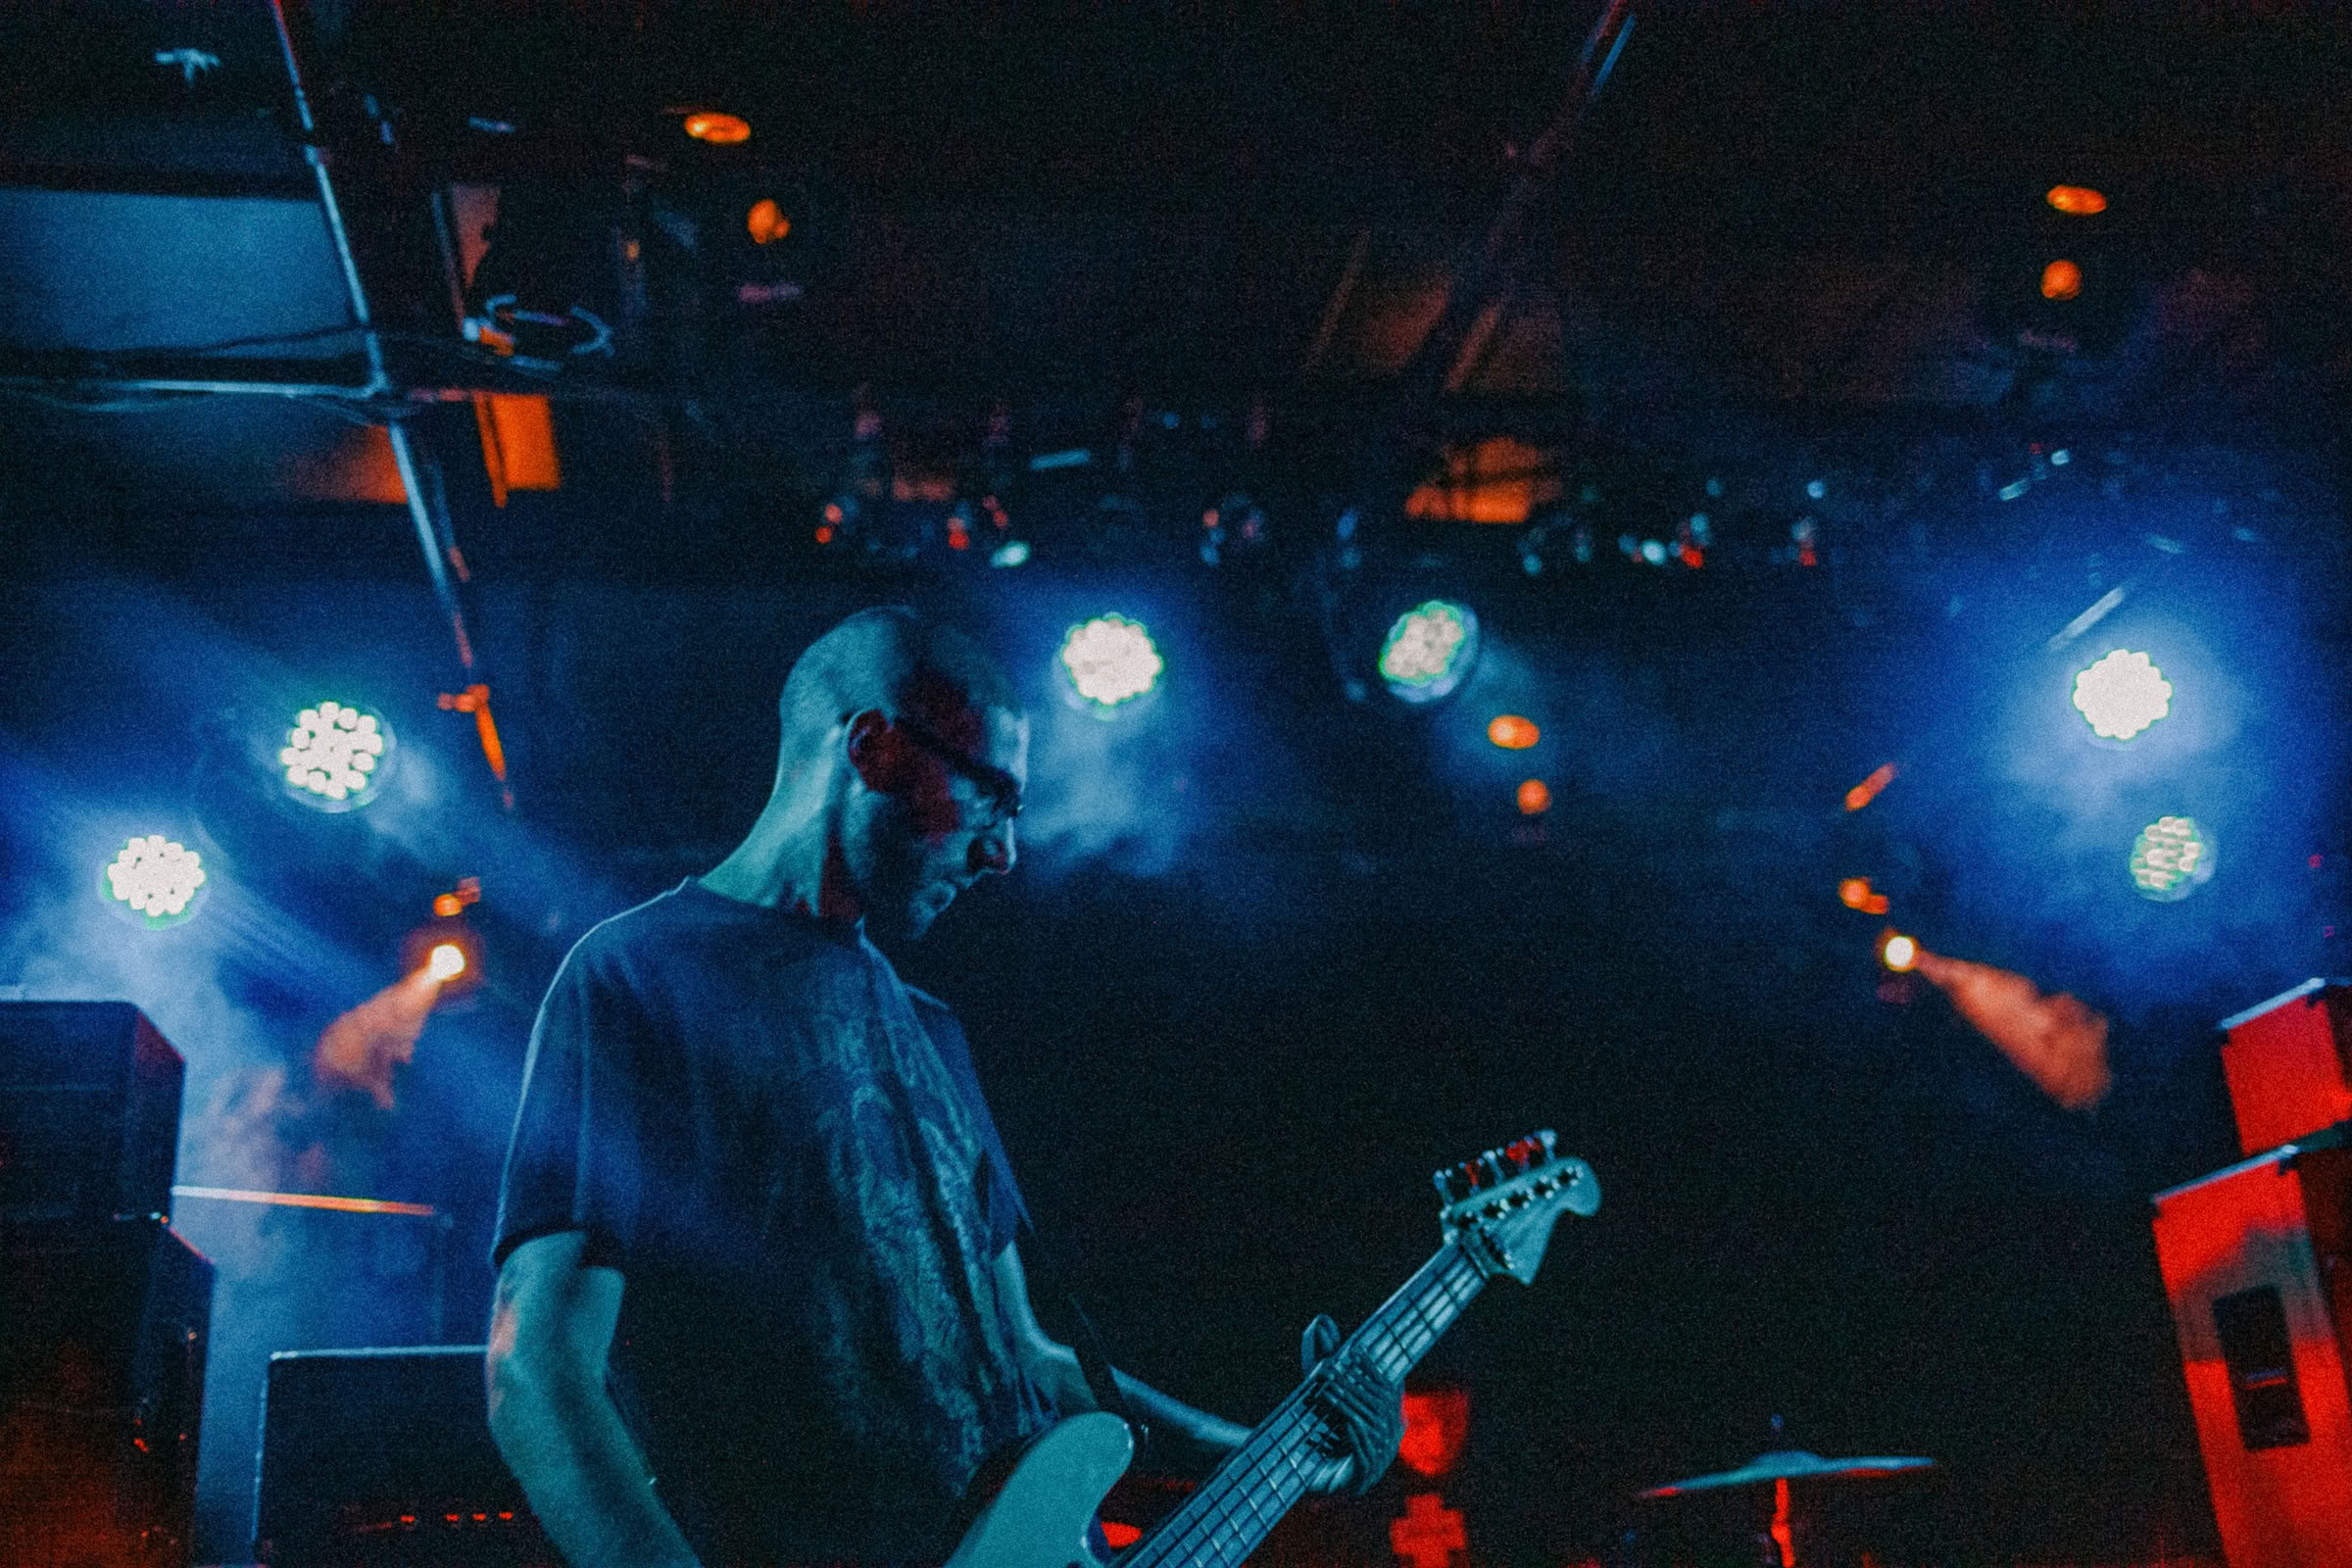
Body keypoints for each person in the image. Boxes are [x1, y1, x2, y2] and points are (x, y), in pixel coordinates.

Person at [486, 606, 1403, 1568]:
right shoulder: (639, 975)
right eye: (991, 796)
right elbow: (537, 1369)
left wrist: (1277, 1450)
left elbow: (1028, 1359)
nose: (1004, 851)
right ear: (874, 747)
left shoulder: (931, 1031)